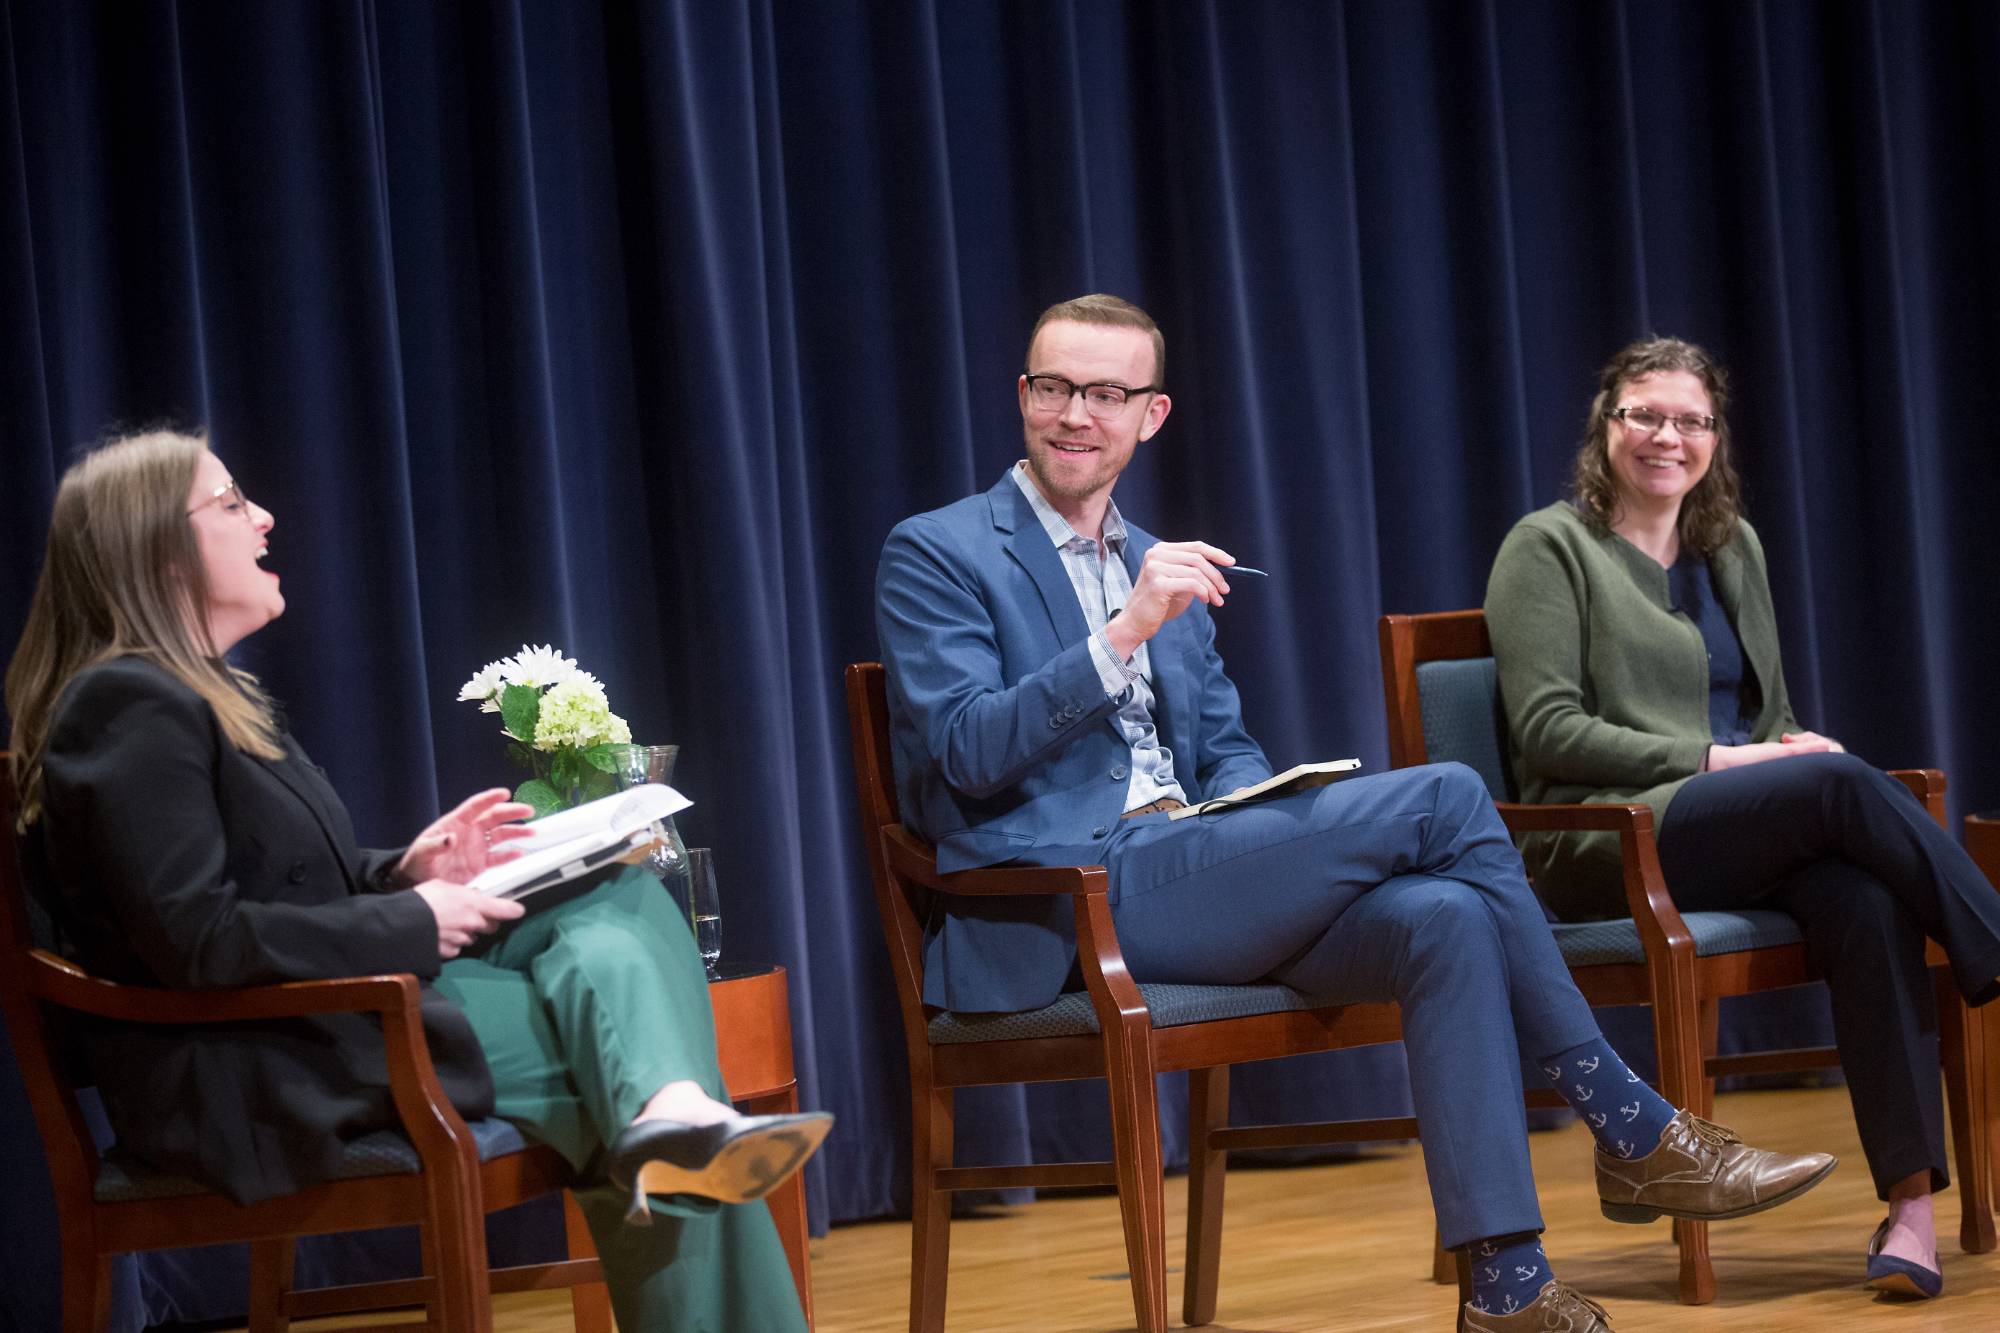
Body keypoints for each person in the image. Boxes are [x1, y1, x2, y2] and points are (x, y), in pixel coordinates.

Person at [875, 295, 1836, 1330]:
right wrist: (1120, 633)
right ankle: (1626, 1123)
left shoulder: (1157, 557)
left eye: (1105, 393)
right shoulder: (940, 552)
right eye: (1055, 387)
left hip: (1191, 873)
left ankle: (1506, 1290)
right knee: (1449, 794)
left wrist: (1270, 805)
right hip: (1070, 900)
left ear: (1148, 416)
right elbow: (964, 754)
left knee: (1445, 918)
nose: (1075, 414)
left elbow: (1221, 752)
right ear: (1023, 395)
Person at [5, 429, 832, 1332]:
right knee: (626, 1072)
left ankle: (672, 1111)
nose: (266, 518)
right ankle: (670, 1108)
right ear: (159, 550)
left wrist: (404, 869)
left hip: (326, 1019)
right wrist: (409, 917)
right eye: (234, 503)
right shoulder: (128, 705)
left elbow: (276, 883)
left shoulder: (198, 694)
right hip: (266, 1062)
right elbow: (198, 936)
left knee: (618, 887)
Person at [1484, 336, 2000, 1302]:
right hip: (1605, 837)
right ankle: (1992, 948)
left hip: (1727, 826)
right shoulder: (1546, 546)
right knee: (1842, 783)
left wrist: (1787, 747)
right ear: (1606, 424)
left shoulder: (1733, 548)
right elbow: (1549, 733)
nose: (1665, 436)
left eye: (1690, 420)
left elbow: (1769, 718)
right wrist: (1731, 761)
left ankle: (1912, 1212)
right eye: (1644, 413)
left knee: (1863, 897)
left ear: (1715, 438)